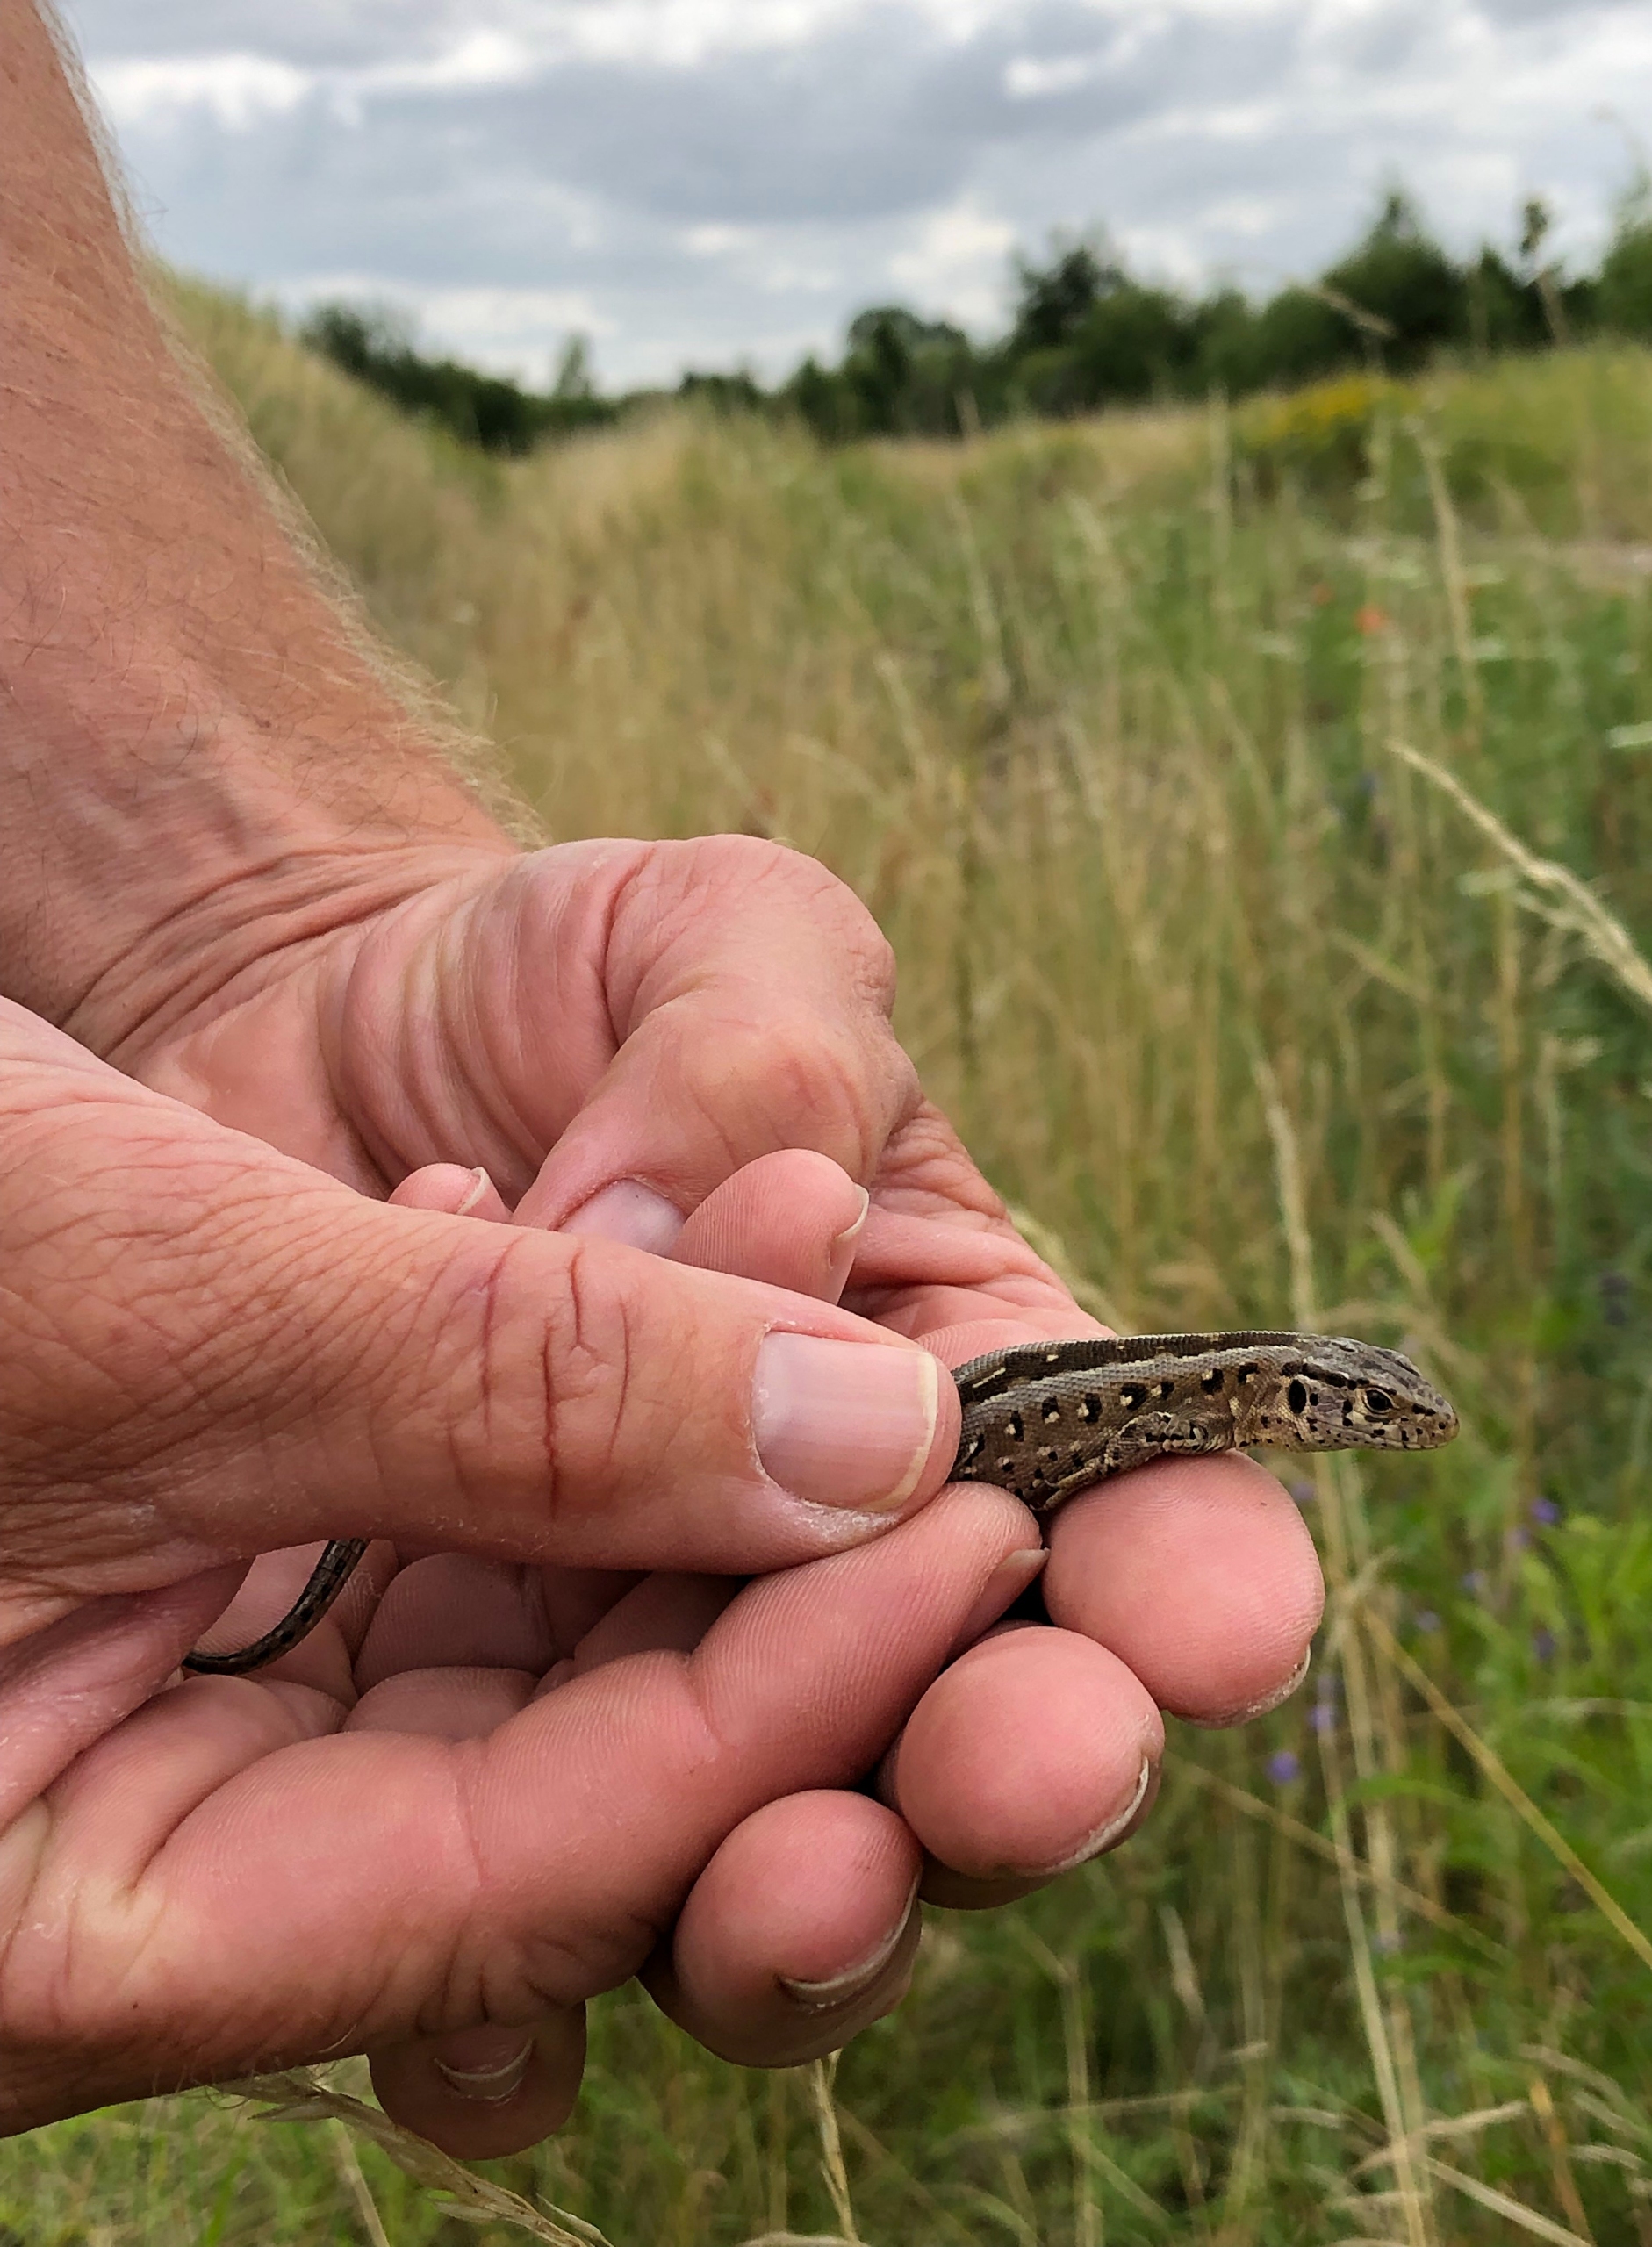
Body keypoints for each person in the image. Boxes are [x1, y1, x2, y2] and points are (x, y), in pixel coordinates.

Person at [0, 0, 1324, 2159]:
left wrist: (241, 925)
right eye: (1342, 1404)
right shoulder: (1169, 1398)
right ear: (1276, 1399)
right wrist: (539, 1391)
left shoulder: (1173, 1405)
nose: (1352, 1424)